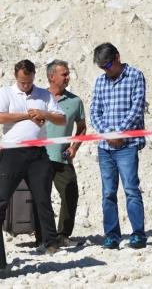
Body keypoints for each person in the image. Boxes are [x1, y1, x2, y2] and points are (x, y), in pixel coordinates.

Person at [0, 60, 66, 266]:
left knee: (42, 197)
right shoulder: (5, 93)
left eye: (29, 82)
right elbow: (1, 117)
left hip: (38, 153)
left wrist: (44, 113)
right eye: (22, 82)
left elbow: (61, 119)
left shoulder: (44, 95)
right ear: (15, 77)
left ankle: (49, 241)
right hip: (12, 152)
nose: (26, 86)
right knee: (2, 199)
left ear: (34, 77)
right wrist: (28, 116)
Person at [90, 42, 147, 249]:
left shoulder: (135, 76)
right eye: (102, 67)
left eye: (107, 65)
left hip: (127, 145)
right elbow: (94, 112)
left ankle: (138, 234)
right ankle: (112, 234)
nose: (106, 70)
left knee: (131, 189)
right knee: (108, 192)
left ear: (117, 57)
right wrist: (108, 134)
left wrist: (120, 133)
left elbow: (137, 108)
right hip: (105, 148)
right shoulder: (100, 82)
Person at [41, 60, 86, 247]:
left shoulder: (75, 101)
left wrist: (74, 148)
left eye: (68, 74)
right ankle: (43, 237)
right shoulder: (39, 98)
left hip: (62, 158)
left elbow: (82, 129)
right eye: (64, 74)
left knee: (70, 193)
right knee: (40, 198)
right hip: (39, 158)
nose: (68, 77)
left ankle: (62, 235)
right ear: (52, 77)